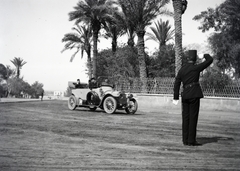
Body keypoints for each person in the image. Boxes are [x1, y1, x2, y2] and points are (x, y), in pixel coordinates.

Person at [173, 50, 213, 146]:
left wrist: (175, 97)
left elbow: (177, 83)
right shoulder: (196, 68)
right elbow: (210, 60)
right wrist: (204, 54)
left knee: (185, 118)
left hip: (185, 95)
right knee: (193, 118)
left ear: (187, 58)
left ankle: (185, 140)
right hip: (194, 94)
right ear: (195, 59)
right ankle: (191, 141)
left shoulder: (182, 70)